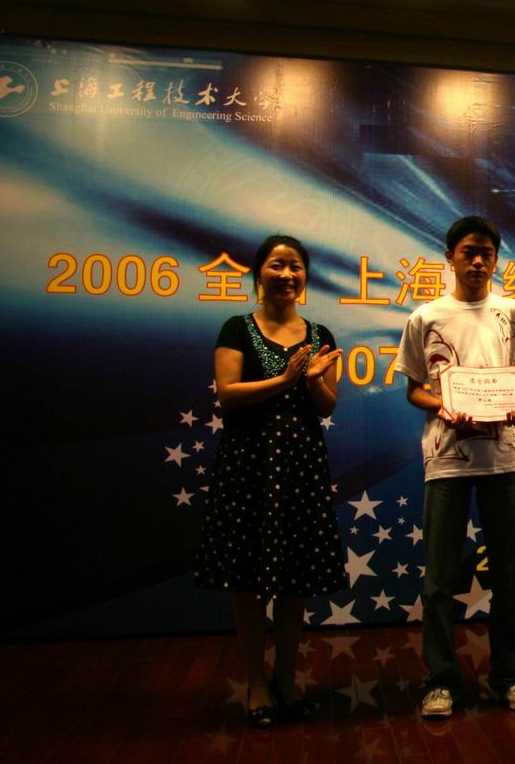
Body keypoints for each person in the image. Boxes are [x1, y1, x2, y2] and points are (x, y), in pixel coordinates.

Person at [396, 215, 515, 718]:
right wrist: (442, 406)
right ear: (450, 257)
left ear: (496, 259)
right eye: (468, 252)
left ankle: (510, 676)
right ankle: (440, 680)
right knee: (439, 579)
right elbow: (414, 389)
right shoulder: (425, 317)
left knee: (509, 576)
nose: (478, 261)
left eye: (486, 253)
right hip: (447, 459)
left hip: (504, 456)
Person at [195, 234, 346, 728]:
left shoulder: (321, 335)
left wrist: (312, 380)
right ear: (258, 273)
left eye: (295, 267)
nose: (287, 275)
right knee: (247, 580)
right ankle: (256, 682)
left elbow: (327, 406)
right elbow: (228, 394)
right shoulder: (237, 327)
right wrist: (283, 381)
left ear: (305, 277)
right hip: (250, 464)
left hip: (300, 465)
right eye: (277, 265)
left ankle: (285, 677)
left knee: (295, 578)